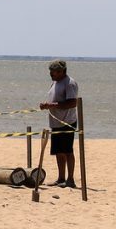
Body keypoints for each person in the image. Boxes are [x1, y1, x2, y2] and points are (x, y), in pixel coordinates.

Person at [39, 60, 78, 188]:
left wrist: (50, 105)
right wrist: (46, 105)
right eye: (50, 71)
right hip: (55, 123)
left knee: (67, 151)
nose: (51, 73)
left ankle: (70, 179)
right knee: (58, 152)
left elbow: (72, 103)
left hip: (67, 122)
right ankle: (61, 178)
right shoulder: (55, 82)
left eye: (54, 71)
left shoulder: (69, 83)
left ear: (62, 71)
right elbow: (55, 99)